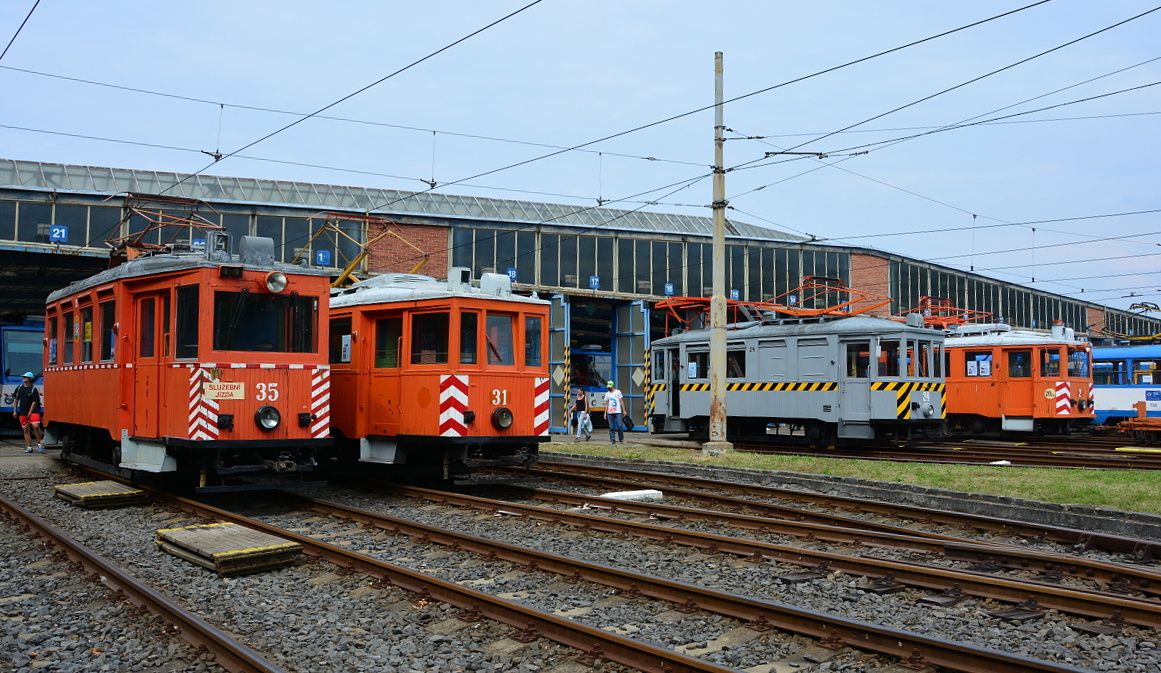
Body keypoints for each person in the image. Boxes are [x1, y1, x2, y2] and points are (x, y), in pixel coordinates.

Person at [13, 372, 44, 453]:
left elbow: (35, 402)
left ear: (30, 379)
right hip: (23, 411)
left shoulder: (33, 389)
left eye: (25, 377)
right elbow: (16, 399)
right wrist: (15, 411)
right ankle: (29, 446)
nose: (23, 378)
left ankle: (40, 443)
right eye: (23, 377)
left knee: (36, 426)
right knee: (26, 429)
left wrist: (30, 412)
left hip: (34, 411)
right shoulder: (19, 388)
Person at [605, 380, 624, 445]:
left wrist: (624, 410)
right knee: (611, 427)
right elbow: (606, 404)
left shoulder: (618, 392)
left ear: (612, 386)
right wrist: (605, 413)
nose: (609, 388)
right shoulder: (607, 394)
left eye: (610, 386)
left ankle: (621, 439)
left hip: (617, 411)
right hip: (610, 412)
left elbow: (621, 401)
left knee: (619, 425)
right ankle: (612, 440)